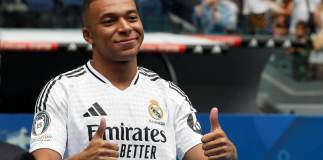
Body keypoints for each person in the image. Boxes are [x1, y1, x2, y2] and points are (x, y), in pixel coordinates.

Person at [29, 0, 237, 160]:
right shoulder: (62, 90)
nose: (125, 27)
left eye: (131, 18)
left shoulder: (169, 94)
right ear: (88, 35)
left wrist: (226, 154)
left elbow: (203, 156)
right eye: (109, 21)